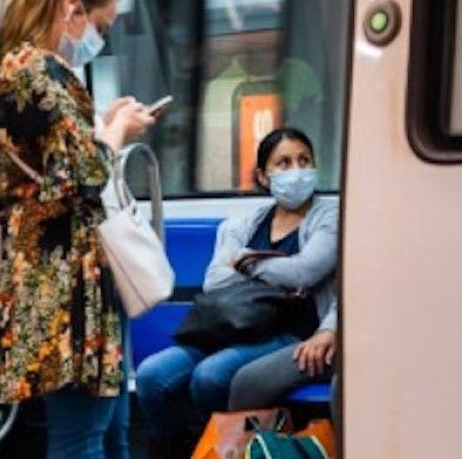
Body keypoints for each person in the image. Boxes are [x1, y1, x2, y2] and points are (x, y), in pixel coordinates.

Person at [0, 0, 185, 459]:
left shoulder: (34, 73)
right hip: (56, 279)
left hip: (73, 275)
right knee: (79, 431)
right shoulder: (31, 72)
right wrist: (116, 132)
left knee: (105, 424)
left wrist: (99, 128)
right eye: (99, 25)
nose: (98, 38)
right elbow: (82, 177)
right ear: (71, 6)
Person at [135, 127, 338, 434]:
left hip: (289, 333)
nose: (297, 171)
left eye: (304, 160)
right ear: (263, 177)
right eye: (283, 163)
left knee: (211, 376)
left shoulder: (329, 216)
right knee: (153, 376)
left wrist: (247, 262)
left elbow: (305, 271)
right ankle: (183, 458)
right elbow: (215, 281)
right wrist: (277, 268)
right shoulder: (244, 224)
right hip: (231, 328)